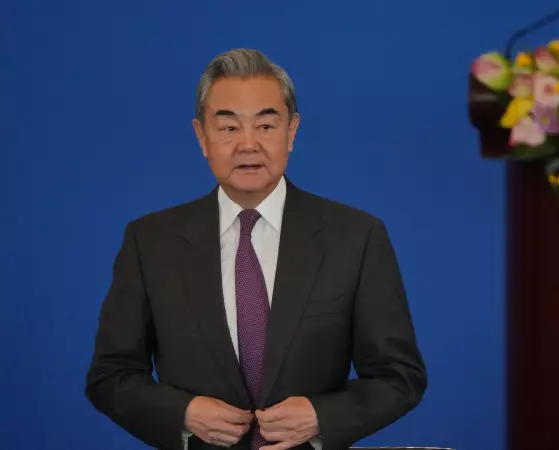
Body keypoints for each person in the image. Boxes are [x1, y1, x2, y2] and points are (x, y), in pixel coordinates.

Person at [85, 48, 427, 450]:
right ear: (201, 136)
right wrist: (182, 413)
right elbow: (110, 375)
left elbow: (399, 376)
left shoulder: (356, 237)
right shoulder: (150, 242)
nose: (248, 144)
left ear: (291, 131)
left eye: (266, 125)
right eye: (229, 127)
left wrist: (322, 417)